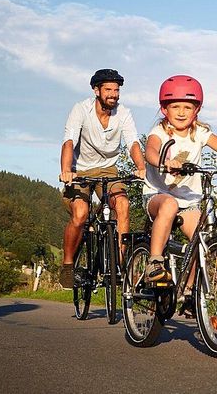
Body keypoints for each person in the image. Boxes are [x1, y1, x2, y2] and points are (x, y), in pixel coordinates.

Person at [141, 75, 217, 285]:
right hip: (157, 195)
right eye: (175, 107)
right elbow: (151, 152)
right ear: (164, 109)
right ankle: (154, 262)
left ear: (197, 110)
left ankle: (190, 290)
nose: (182, 112)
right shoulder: (159, 132)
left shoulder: (199, 133)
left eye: (187, 107)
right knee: (169, 204)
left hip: (188, 201)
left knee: (198, 240)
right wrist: (165, 162)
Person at [58, 68, 147, 289]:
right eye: (108, 89)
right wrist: (66, 169)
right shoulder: (81, 110)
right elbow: (69, 141)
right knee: (80, 214)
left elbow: (133, 143)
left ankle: (118, 264)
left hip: (108, 169)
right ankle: (68, 264)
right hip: (80, 170)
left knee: (123, 205)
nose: (113, 94)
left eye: (116, 90)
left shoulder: (124, 113)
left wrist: (141, 167)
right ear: (96, 90)